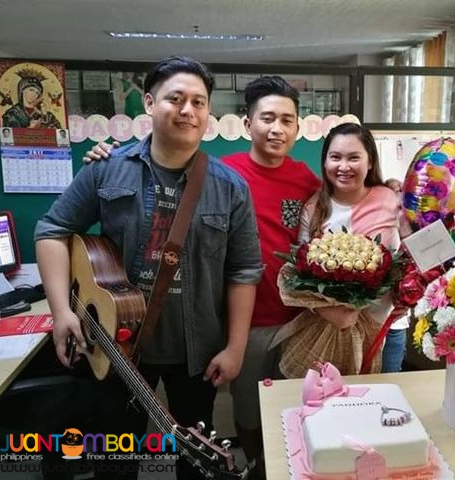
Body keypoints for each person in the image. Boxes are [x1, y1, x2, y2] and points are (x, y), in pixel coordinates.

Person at [81, 75, 320, 479]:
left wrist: (383, 186)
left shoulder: (308, 182)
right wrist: (104, 156)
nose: (276, 128)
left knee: (288, 410)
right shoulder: (220, 175)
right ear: (247, 124)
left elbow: (346, 197)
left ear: (298, 127)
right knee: (239, 412)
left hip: (294, 317)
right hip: (226, 319)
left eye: (287, 119)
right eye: (267, 118)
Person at [35, 56, 263, 479]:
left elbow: (244, 271)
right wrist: (62, 312)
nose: (187, 110)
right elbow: (51, 230)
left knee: (195, 463)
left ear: (208, 112)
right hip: (116, 348)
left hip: (196, 355)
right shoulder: (106, 168)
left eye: (198, 101)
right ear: (149, 102)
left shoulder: (230, 187)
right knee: (115, 463)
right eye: (175, 98)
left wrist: (234, 348)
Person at [298, 122, 405, 369]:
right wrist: (326, 311)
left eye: (354, 158)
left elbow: (414, 253)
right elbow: (300, 275)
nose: (343, 166)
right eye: (335, 157)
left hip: (387, 328)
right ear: (325, 162)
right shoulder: (313, 209)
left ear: (369, 162)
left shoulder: (391, 199)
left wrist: (408, 293)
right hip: (333, 332)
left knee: (384, 401)